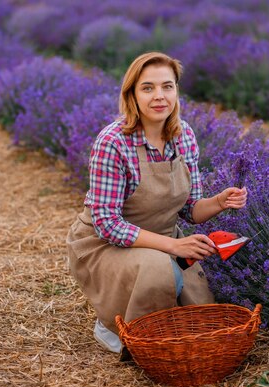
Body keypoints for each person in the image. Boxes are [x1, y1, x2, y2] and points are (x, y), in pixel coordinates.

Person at [66, 51, 247, 353]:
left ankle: (144, 306)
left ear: (177, 91)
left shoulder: (183, 135)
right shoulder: (113, 143)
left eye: (167, 86)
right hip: (105, 244)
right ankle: (114, 322)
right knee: (160, 271)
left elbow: (190, 209)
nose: (159, 96)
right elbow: (108, 225)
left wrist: (219, 201)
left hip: (162, 238)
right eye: (147, 88)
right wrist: (174, 247)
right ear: (132, 95)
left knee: (199, 306)